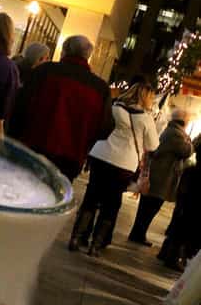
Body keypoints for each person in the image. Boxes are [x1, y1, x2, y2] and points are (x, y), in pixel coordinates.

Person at [68, 79, 159, 256]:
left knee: (91, 197)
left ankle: (76, 237)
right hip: (123, 163)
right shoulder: (146, 119)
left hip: (101, 154)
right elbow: (153, 145)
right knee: (111, 203)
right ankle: (96, 244)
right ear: (146, 97)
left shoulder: (114, 107)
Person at [10, 35, 113, 183]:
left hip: (33, 149)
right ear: (88, 56)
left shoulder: (44, 72)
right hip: (70, 160)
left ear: (64, 51)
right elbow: (105, 128)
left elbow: (19, 107)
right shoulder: (100, 89)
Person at [128, 109, 193, 246]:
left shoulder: (171, 131)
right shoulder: (176, 135)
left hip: (158, 175)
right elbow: (186, 151)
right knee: (150, 208)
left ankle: (138, 233)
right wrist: (190, 142)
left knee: (146, 208)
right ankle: (138, 234)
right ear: (183, 121)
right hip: (161, 178)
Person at [157, 135, 201, 272]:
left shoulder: (190, 171)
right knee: (188, 225)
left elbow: (195, 145)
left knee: (180, 221)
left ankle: (168, 252)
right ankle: (176, 256)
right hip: (195, 191)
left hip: (192, 182)